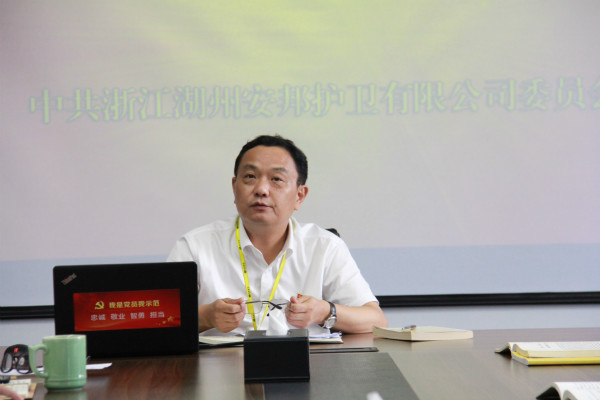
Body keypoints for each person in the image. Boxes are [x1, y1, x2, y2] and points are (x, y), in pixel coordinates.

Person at [167, 134, 387, 336]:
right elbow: (156, 319)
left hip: (308, 363)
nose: (261, 189)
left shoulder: (325, 246)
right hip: (221, 364)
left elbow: (376, 321)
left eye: (276, 179)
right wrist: (205, 317)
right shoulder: (195, 246)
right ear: (235, 188)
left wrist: (324, 312)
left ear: (300, 196)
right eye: (250, 177)